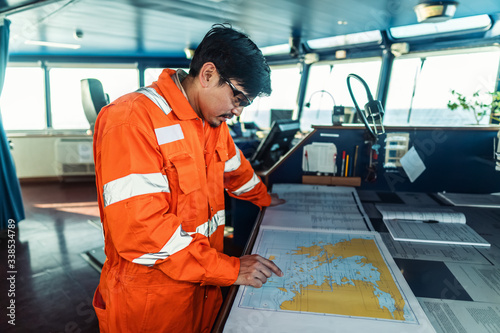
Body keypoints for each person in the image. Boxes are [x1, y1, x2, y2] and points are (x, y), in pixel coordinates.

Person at [92, 23, 285, 333]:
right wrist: (231, 268)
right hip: (151, 304)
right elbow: (144, 233)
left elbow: (236, 170)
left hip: (203, 288)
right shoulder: (131, 119)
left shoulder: (210, 122)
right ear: (208, 75)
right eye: (238, 99)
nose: (238, 112)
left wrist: (266, 199)